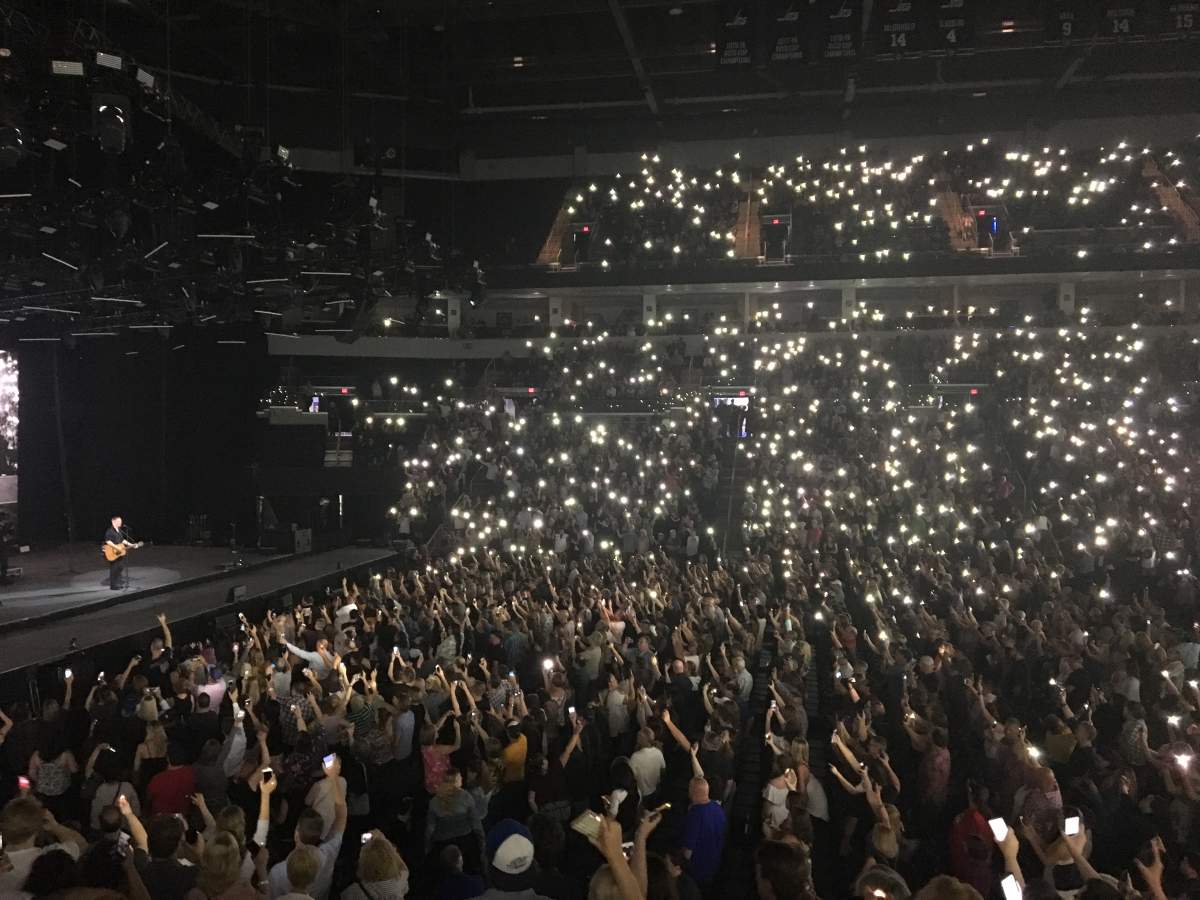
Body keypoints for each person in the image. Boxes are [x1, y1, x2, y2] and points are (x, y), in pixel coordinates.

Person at [339, 830, 409, 900]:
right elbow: (403, 866)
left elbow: (363, 838)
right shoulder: (398, 882)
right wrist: (384, 841)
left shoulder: (353, 892)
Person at [105, 515, 137, 590]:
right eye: (119, 521)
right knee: (114, 568)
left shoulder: (119, 530)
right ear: (113, 521)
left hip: (120, 552)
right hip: (113, 552)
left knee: (120, 567)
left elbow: (122, 540)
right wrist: (116, 547)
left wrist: (131, 545)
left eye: (121, 521)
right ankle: (113, 585)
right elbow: (108, 541)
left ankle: (118, 583)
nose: (121, 522)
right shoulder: (110, 531)